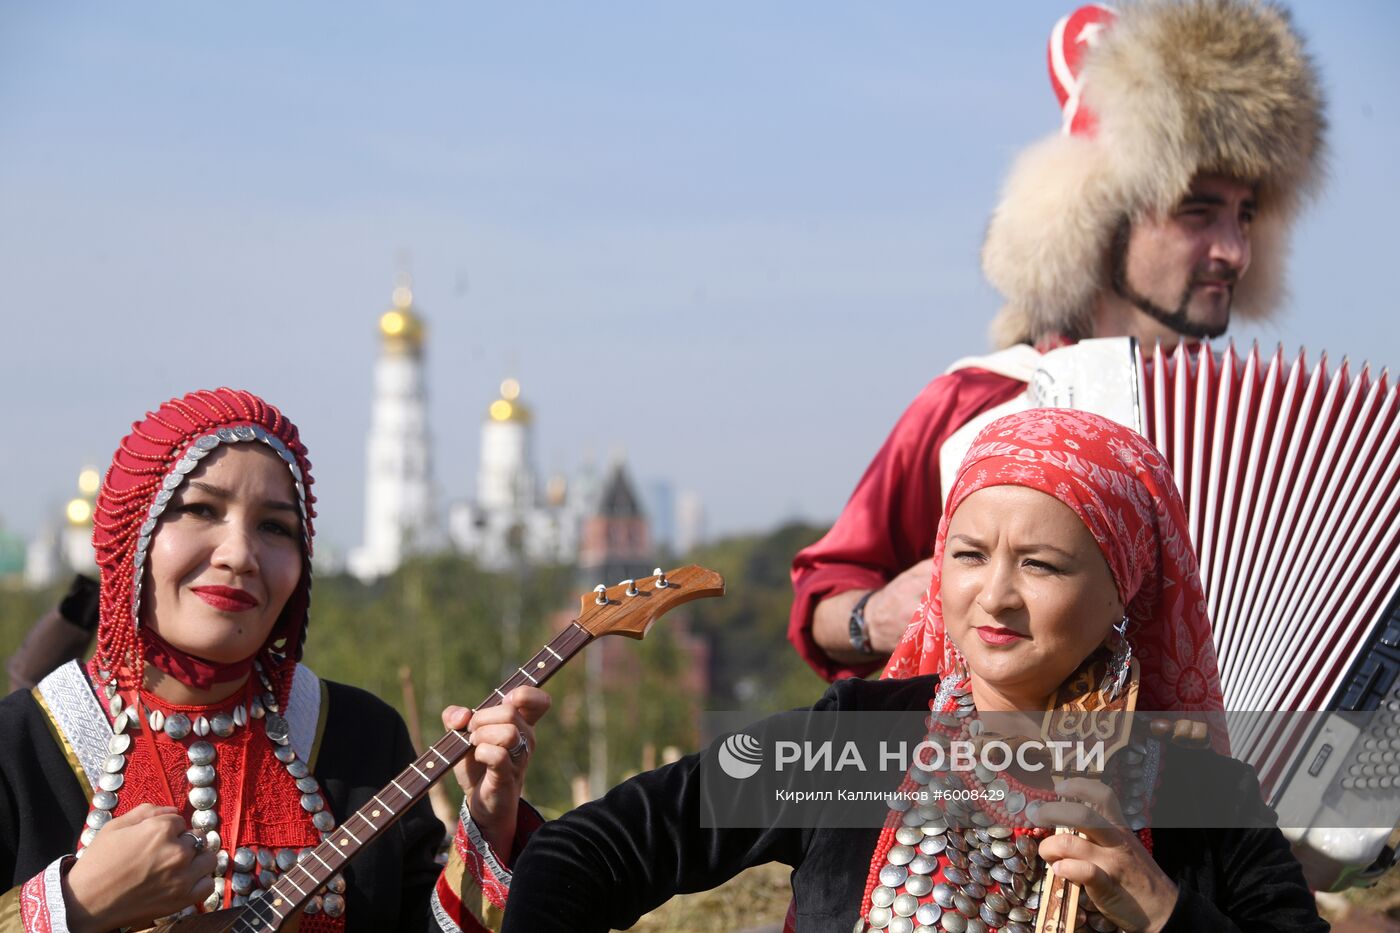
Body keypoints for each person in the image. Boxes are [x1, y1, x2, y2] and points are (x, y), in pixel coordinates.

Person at [498, 409, 1325, 933]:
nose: (994, 596)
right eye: (967, 555)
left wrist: (1157, 906)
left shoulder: (1200, 793)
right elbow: (584, 853)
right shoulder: (858, 739)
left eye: (1039, 564)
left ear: (1122, 586)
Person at [789, 0, 1328, 681]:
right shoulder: (978, 401)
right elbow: (819, 604)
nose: (1232, 250)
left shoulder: (1272, 425)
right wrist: (876, 616)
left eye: (1246, 216)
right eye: (1198, 211)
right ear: (1103, 219)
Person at [0, 388, 548, 932]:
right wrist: (75, 904)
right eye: (200, 509)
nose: (239, 554)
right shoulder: (20, 746)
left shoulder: (359, 739)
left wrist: (490, 818)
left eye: (275, 527)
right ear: (130, 536)